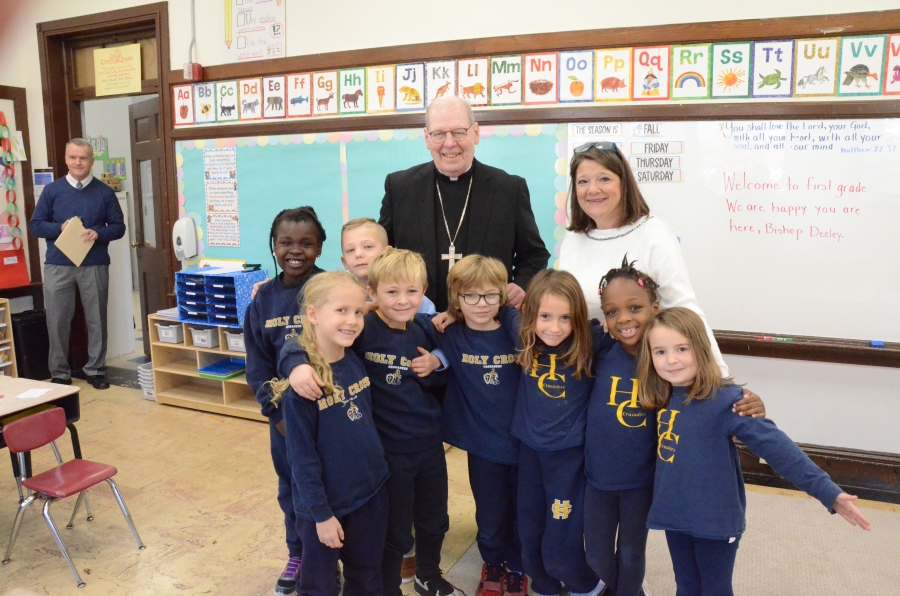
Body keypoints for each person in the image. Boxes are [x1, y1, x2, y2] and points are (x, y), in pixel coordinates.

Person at [636, 307, 871, 596]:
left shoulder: (728, 401)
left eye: (681, 349)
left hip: (716, 519)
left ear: (701, 348)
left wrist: (828, 492)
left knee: (714, 588)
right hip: (675, 514)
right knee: (685, 585)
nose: (671, 360)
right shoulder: (659, 396)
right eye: (660, 352)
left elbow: (779, 450)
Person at [279, 249, 464, 596]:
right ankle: (390, 585)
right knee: (393, 534)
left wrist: (437, 362)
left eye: (412, 291)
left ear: (424, 291)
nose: (402, 300)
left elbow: (459, 345)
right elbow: (304, 340)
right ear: (373, 295)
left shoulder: (427, 327)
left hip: (424, 448)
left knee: (432, 520)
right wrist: (295, 363)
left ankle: (427, 574)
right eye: (391, 292)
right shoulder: (361, 332)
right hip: (387, 455)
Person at [585, 258, 765, 596]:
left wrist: (749, 401)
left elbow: (710, 391)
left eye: (635, 307)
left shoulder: (667, 364)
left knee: (631, 553)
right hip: (597, 478)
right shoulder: (602, 349)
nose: (623, 318)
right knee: (596, 555)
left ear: (655, 308)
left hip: (644, 481)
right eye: (612, 312)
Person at [557, 142, 729, 375]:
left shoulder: (653, 233)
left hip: (645, 374)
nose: (593, 189)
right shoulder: (573, 240)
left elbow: (685, 310)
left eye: (604, 179)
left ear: (623, 183)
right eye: (583, 181)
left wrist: (720, 377)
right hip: (589, 373)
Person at [269, 271, 390, 596]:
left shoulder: (352, 359)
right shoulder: (303, 389)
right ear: (312, 314)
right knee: (319, 585)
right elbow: (301, 460)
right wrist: (322, 516)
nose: (352, 320)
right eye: (341, 311)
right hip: (324, 508)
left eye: (358, 312)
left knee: (366, 577)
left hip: (370, 494)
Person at [378, 96, 549, 311]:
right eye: (439, 134)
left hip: (487, 323)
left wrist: (522, 285)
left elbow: (534, 255)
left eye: (458, 132)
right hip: (416, 322)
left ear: (475, 133)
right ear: (426, 138)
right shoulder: (400, 187)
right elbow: (383, 254)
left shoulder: (508, 189)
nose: (449, 143)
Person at [418, 255, 526, 596]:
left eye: (490, 296)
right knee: (491, 515)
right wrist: (436, 358)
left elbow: (525, 334)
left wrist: (507, 310)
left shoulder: (516, 329)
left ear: (502, 297)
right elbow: (408, 322)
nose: (481, 304)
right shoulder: (452, 334)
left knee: (523, 514)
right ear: (456, 299)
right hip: (484, 448)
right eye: (470, 297)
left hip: (525, 445)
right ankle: (492, 564)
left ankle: (518, 569)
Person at [511, 269, 611, 596]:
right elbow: (480, 306)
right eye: (545, 316)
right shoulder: (521, 335)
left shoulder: (591, 342)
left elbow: (636, 327)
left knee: (561, 536)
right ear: (530, 315)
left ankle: (587, 586)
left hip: (568, 459)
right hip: (529, 454)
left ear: (578, 318)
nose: (554, 328)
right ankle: (543, 586)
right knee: (529, 529)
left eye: (565, 318)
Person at [244, 206, 325, 596]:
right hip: (285, 421)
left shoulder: (332, 289)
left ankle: (331, 558)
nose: (296, 251)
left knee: (333, 485)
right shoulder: (264, 301)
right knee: (293, 486)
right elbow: (257, 365)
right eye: (286, 243)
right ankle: (299, 553)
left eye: (306, 243)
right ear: (273, 247)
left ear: (320, 247)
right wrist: (274, 412)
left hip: (333, 416)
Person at [28, 138, 126, 390]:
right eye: (73, 157)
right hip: (58, 265)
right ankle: (59, 372)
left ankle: (95, 369)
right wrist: (58, 227)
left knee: (96, 319)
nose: (78, 162)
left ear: (91, 161)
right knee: (58, 319)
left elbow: (118, 227)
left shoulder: (104, 192)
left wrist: (98, 233)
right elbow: (35, 225)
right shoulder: (52, 191)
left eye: (83, 158)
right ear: (65, 159)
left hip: (94, 264)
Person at [341, 217, 436, 316]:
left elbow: (430, 323)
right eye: (350, 250)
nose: (358, 254)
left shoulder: (410, 293)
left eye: (368, 247)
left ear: (387, 253)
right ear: (344, 262)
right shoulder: (342, 297)